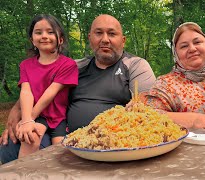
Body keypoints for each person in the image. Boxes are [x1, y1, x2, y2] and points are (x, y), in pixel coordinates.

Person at [0, 14, 156, 163]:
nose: (105, 39)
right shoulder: (74, 66)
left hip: (115, 139)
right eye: (98, 33)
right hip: (68, 135)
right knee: (11, 146)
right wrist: (17, 110)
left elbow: (145, 109)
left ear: (123, 40)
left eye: (112, 34)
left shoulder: (135, 65)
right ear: (90, 39)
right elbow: (38, 87)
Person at [145, 22, 205, 137]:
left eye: (197, 42)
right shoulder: (166, 84)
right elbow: (148, 115)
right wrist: (194, 120)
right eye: (184, 46)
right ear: (176, 53)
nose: (192, 49)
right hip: (188, 151)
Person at [16, 14, 78, 158]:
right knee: (30, 138)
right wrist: (27, 120)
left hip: (58, 117)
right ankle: (23, 174)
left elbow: (51, 93)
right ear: (32, 40)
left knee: (61, 151)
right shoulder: (26, 65)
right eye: (38, 32)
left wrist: (27, 119)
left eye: (50, 32)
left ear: (60, 39)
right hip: (38, 116)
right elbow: (26, 92)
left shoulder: (68, 64)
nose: (44, 36)